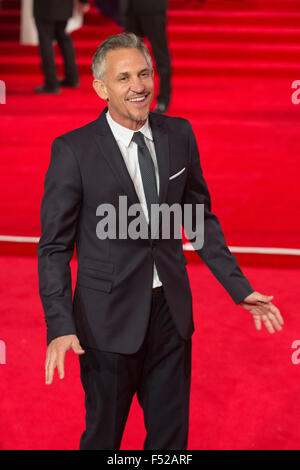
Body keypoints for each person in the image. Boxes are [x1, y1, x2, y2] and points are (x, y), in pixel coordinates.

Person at [37, 32, 284, 450]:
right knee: (103, 438)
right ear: (101, 88)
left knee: (171, 443)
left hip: (171, 314)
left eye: (144, 73)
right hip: (105, 321)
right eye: (124, 78)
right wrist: (59, 325)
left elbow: (198, 218)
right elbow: (54, 248)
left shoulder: (179, 134)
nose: (139, 86)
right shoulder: (73, 151)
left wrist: (238, 287)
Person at [120, 0, 171, 114]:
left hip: (152, 7)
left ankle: (163, 99)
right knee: (130, 55)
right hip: (130, 7)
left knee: (160, 53)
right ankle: (132, 97)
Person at [33, 0, 90, 94]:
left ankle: (51, 83)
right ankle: (72, 78)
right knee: (63, 37)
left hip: (45, 5)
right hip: (64, 5)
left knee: (46, 40)